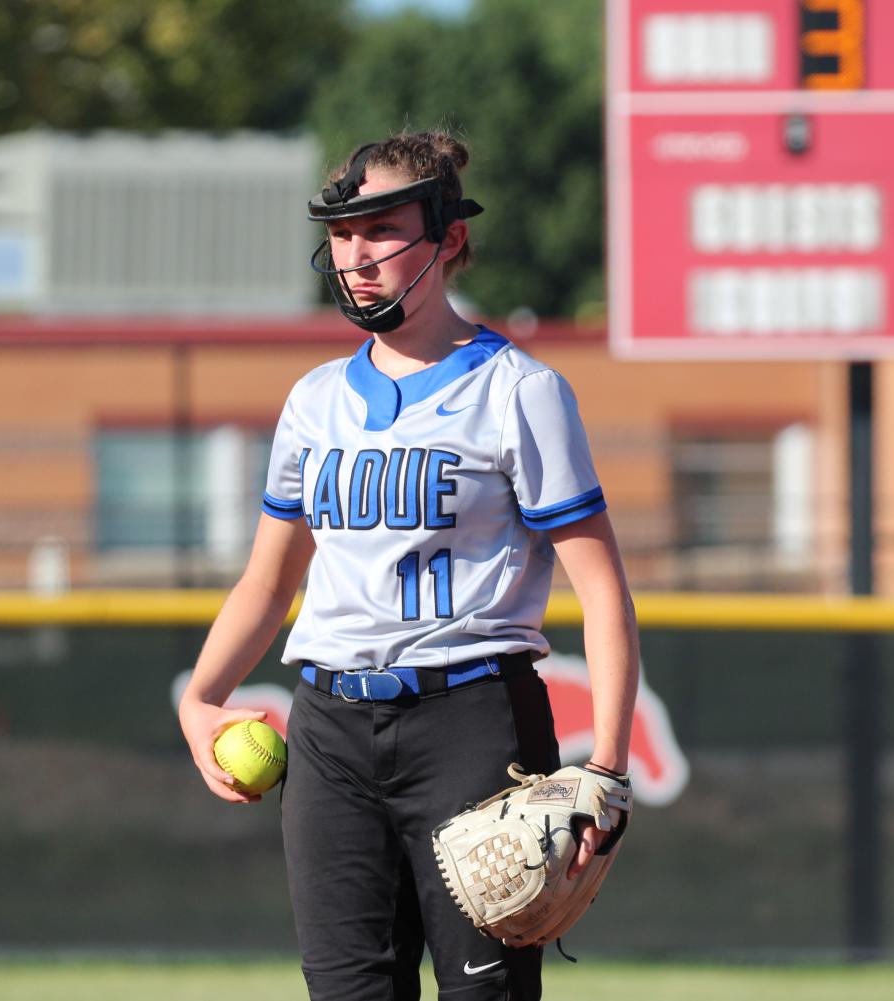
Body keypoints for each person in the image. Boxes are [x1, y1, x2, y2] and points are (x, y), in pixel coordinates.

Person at [177, 130, 639, 1001]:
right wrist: (202, 698)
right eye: (343, 233)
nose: (355, 254)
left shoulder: (515, 390)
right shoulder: (314, 399)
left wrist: (605, 772)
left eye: (380, 228)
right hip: (328, 735)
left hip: (471, 727)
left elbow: (602, 589)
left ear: (448, 237)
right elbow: (270, 579)